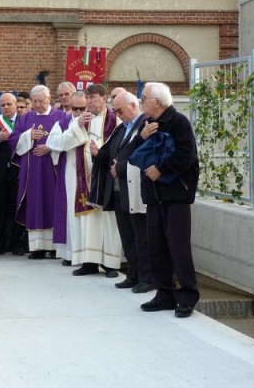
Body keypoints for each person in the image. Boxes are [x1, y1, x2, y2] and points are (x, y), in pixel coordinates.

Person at [129, 82, 200, 318]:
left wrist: (161, 169)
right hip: (153, 196)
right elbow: (130, 154)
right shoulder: (146, 123)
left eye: (144, 98)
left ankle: (187, 297)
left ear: (156, 101)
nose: (141, 101)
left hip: (176, 195)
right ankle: (164, 294)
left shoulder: (179, 122)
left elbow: (187, 155)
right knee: (156, 247)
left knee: (179, 248)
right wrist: (141, 137)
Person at [47, 89, 122, 276]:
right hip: (81, 177)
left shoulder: (115, 121)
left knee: (107, 219)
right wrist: (77, 127)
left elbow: (121, 146)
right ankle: (89, 262)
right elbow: (60, 144)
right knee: (86, 220)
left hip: (105, 176)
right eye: (86, 98)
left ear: (104, 99)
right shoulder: (77, 120)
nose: (88, 102)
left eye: (92, 98)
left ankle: (110, 264)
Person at [90, 91, 153, 293]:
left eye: (120, 110)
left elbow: (142, 154)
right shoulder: (121, 128)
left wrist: (121, 167)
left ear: (133, 106)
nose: (118, 114)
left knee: (140, 236)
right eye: (115, 110)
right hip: (118, 190)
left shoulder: (144, 125)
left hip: (135, 189)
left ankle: (146, 278)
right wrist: (98, 154)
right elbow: (111, 154)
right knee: (127, 236)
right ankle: (133, 275)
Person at [10, 85, 64, 259]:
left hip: (53, 169)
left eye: (41, 101)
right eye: (35, 102)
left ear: (49, 99)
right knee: (35, 203)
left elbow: (67, 139)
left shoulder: (60, 116)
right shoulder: (25, 118)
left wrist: (50, 147)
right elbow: (13, 139)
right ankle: (38, 248)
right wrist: (27, 136)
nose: (38, 105)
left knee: (53, 202)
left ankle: (56, 247)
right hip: (31, 171)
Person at [0, 93, 25, 256]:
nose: (6, 107)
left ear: (15, 104)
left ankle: (16, 244)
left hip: (18, 172)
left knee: (17, 209)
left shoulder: (24, 121)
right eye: (3, 105)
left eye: (9, 104)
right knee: (0, 210)